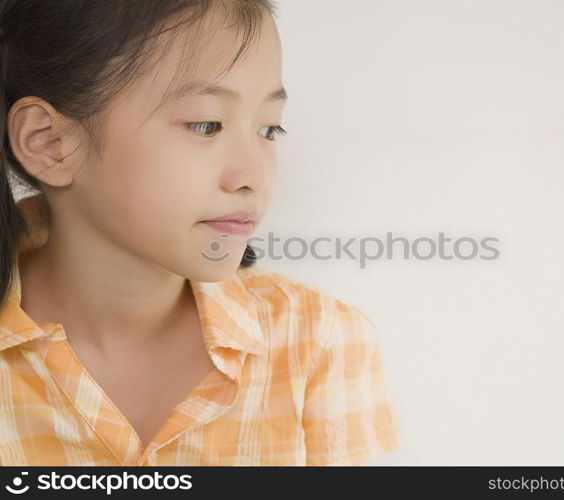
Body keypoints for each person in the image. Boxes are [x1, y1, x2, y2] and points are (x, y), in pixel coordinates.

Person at [0, 0, 400, 466]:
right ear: (49, 142)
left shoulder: (319, 343)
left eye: (270, 129)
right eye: (206, 125)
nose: (254, 175)